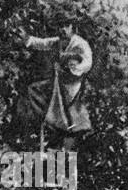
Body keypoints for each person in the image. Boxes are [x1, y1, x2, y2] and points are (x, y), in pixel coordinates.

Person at [22, 16, 93, 148]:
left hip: (72, 84)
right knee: (34, 89)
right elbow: (43, 43)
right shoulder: (59, 41)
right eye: (60, 27)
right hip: (58, 81)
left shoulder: (80, 43)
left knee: (67, 110)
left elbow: (88, 63)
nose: (62, 30)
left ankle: (61, 131)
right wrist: (27, 39)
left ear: (72, 27)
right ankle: (46, 119)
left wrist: (74, 68)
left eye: (65, 26)